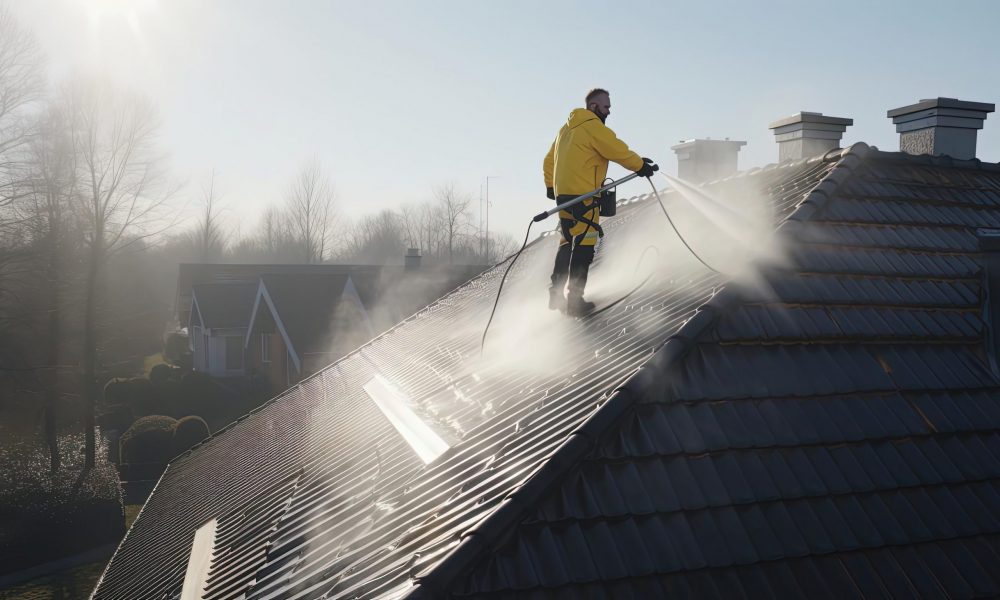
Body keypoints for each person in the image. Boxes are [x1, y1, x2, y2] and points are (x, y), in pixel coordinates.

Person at [543, 88, 658, 316]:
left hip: (564, 197)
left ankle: (555, 293)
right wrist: (640, 166)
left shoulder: (565, 130)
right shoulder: (592, 127)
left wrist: (550, 187)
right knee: (585, 245)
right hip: (584, 197)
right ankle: (575, 301)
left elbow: (548, 161)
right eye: (606, 107)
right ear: (594, 107)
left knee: (567, 240)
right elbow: (616, 149)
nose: (609, 112)